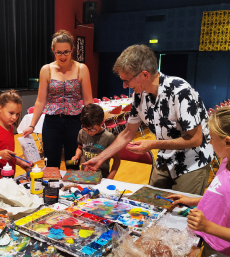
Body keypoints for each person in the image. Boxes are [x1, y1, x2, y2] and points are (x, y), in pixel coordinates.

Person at [84, 44, 213, 195]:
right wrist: (100, 158)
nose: (125, 86)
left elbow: (196, 139)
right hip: (165, 158)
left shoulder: (180, 91)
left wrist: (152, 144)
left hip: (192, 162)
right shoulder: (139, 95)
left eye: (127, 81)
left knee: (179, 212)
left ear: (144, 75)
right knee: (151, 204)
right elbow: (127, 133)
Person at [167, 106, 230, 257]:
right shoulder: (226, 162)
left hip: (227, 255)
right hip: (211, 241)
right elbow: (220, 197)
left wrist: (208, 226)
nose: (210, 142)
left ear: (228, 142)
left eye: (212, 138)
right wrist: (193, 200)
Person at [23, 30, 93, 169]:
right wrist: (32, 125)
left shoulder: (81, 69)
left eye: (66, 52)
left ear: (72, 50)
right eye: (58, 52)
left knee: (72, 163)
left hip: (74, 122)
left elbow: (88, 101)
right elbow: (40, 101)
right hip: (52, 122)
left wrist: (89, 124)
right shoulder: (46, 70)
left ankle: (71, 188)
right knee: (51, 165)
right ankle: (52, 190)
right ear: (52, 50)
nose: (62, 56)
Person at [71, 103, 120, 179]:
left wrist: (110, 178)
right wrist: (77, 156)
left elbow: (117, 160)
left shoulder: (109, 137)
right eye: (86, 128)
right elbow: (80, 148)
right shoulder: (81, 132)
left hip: (102, 177)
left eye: (93, 129)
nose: (89, 132)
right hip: (84, 175)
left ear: (102, 123)